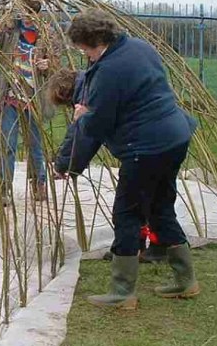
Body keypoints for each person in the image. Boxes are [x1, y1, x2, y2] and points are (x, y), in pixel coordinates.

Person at [54, 9, 199, 309]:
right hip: (175, 136)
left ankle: (122, 292)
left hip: (145, 147)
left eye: (85, 49)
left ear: (94, 41)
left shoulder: (109, 70)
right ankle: (187, 281)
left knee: (127, 214)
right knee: (159, 207)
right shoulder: (140, 47)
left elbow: (97, 126)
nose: (86, 56)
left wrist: (79, 127)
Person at [46, 68, 167, 264]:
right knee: (151, 200)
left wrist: (63, 165)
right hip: (164, 139)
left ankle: (127, 252)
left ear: (64, 93)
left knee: (126, 208)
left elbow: (84, 138)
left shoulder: (89, 98)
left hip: (142, 149)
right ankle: (155, 247)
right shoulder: (97, 83)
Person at [0, 0, 54, 203]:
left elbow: (56, 65)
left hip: (34, 99)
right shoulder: (10, 31)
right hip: (10, 97)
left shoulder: (46, 34)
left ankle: (39, 184)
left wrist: (47, 65)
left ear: (37, 13)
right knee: (7, 144)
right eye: (23, 13)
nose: (27, 18)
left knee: (36, 146)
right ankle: (4, 188)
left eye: (31, 13)